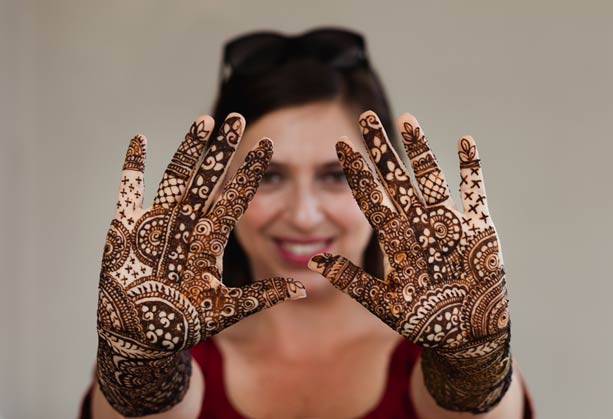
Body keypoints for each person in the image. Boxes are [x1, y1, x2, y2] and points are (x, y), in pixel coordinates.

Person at [81, 28, 534, 418]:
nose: (303, 215)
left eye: (336, 175)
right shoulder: (160, 343)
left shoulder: (442, 345)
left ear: (387, 185)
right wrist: (142, 369)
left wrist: (472, 365)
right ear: (217, 187)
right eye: (268, 176)